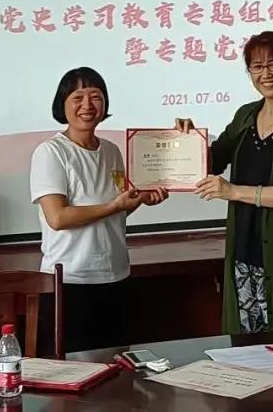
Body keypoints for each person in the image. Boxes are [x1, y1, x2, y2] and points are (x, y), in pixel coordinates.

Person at [176, 31, 273, 334]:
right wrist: (188, 140)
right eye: (257, 67)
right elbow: (212, 160)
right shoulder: (246, 115)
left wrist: (233, 191)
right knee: (246, 347)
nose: (266, 74)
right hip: (244, 247)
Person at [30, 66, 169, 352]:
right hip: (70, 281)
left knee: (117, 366)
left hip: (115, 274)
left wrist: (138, 200)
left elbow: (115, 211)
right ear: (62, 104)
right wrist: (114, 205)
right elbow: (57, 217)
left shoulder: (111, 151)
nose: (87, 105)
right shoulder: (51, 152)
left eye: (96, 97)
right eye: (77, 97)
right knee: (74, 372)